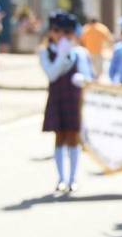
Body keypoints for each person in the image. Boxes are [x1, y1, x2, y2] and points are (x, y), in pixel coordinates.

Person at [39, 11, 93, 192]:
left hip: (74, 99)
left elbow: (88, 76)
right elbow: (52, 74)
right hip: (57, 98)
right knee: (59, 136)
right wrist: (62, 56)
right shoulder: (45, 52)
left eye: (65, 31)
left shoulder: (80, 53)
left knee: (73, 136)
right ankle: (61, 178)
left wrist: (82, 78)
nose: (60, 35)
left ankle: (73, 178)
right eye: (56, 30)